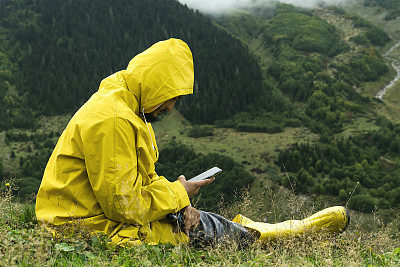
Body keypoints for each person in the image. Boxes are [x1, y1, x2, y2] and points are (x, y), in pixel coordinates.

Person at [35, 38, 349, 248]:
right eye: (171, 97)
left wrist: (181, 200)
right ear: (156, 85)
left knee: (190, 218)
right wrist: (177, 193)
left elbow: (137, 179)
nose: (171, 107)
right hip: (83, 228)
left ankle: (259, 229)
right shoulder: (115, 119)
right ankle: (277, 237)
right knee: (202, 233)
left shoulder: (127, 100)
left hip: (89, 215)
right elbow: (124, 207)